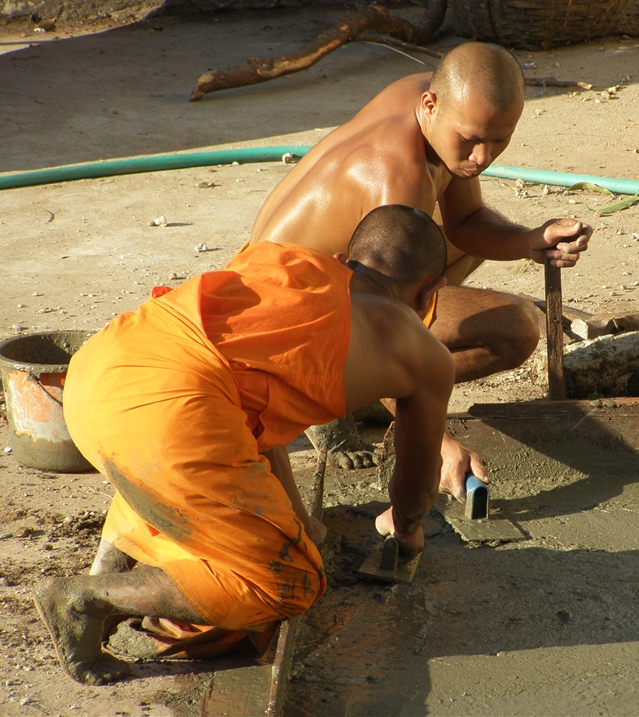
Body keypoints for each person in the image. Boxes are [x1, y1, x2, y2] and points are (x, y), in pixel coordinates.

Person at [35, 205, 454, 685]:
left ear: (342, 259)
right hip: (168, 414)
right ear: (429, 293)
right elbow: (417, 476)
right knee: (291, 583)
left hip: (95, 371)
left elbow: (250, 424)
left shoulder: (282, 261)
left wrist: (300, 523)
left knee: (179, 444)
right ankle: (87, 600)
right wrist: (406, 531)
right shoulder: (421, 352)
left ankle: (106, 569)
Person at [250, 41, 592, 494]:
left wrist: (531, 241)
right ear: (431, 106)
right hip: (286, 322)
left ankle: (367, 390)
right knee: (517, 326)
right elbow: (385, 327)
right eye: (470, 140)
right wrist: (438, 441)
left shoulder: (426, 98)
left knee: (444, 249)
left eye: (498, 140)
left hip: (314, 280)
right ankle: (333, 394)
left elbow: (466, 224)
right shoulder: (399, 180)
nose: (482, 157)